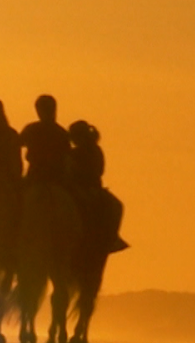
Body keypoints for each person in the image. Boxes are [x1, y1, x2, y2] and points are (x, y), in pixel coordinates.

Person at [66, 120, 128, 254]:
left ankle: (111, 237)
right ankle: (111, 238)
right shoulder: (84, 151)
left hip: (87, 187)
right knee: (116, 206)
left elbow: (98, 170)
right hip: (86, 187)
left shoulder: (85, 151)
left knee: (116, 206)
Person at [18, 95, 72, 186]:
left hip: (40, 176)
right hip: (51, 177)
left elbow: (16, 144)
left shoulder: (32, 129)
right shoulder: (61, 132)